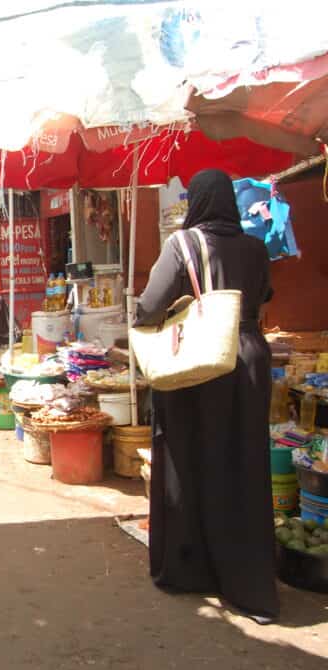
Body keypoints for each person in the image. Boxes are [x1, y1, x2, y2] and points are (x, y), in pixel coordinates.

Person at [135, 168, 277, 624]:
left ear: (196, 202)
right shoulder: (255, 247)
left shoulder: (181, 245)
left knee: (188, 459)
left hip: (202, 360)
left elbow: (150, 305)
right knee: (242, 465)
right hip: (250, 359)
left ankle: (189, 568)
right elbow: (263, 295)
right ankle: (248, 582)